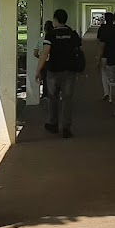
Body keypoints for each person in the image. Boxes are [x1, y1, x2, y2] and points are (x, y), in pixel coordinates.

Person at [34, 9, 81, 138]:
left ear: (55, 20)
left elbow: (44, 53)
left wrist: (38, 71)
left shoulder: (51, 35)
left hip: (54, 71)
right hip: (70, 71)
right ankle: (66, 127)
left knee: (52, 98)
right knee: (67, 99)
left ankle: (53, 123)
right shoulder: (72, 34)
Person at [34, 20, 55, 108]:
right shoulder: (55, 39)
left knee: (45, 79)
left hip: (44, 63)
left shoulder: (40, 39)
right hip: (54, 63)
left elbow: (35, 53)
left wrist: (42, 58)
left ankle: (45, 95)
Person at [95, 11, 114, 101]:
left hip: (104, 55)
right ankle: (111, 96)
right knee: (112, 76)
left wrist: (98, 59)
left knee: (104, 74)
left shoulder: (102, 29)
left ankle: (106, 93)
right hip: (114, 55)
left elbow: (100, 43)